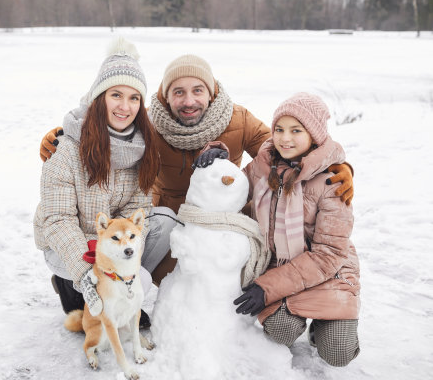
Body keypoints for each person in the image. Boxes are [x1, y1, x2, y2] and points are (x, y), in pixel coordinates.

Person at [40, 55, 354, 283]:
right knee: (163, 284)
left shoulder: (238, 119)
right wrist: (61, 136)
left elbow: (288, 147)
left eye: (197, 90)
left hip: (223, 225)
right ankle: (77, 287)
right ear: (165, 96)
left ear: (212, 92)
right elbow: (106, 126)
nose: (189, 100)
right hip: (169, 226)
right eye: (178, 92)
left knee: (224, 281)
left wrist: (338, 164)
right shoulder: (148, 123)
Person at [33, 38, 175, 328]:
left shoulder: (141, 147)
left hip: (113, 244)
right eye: (116, 95)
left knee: (164, 223)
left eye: (134, 98)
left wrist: (118, 255)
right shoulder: (66, 147)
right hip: (73, 245)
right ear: (100, 97)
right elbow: (58, 220)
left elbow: (138, 211)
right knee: (81, 276)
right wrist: (92, 269)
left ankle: (122, 299)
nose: (125, 106)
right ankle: (76, 288)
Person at [216, 92, 360, 367]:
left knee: (338, 353)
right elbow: (231, 186)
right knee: (280, 330)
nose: (284, 138)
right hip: (282, 267)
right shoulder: (264, 164)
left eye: (296, 130)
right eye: (279, 129)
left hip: (329, 273)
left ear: (314, 135)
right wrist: (216, 158)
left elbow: (328, 255)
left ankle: (325, 325)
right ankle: (300, 316)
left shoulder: (334, 182)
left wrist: (266, 288)